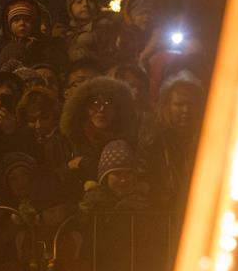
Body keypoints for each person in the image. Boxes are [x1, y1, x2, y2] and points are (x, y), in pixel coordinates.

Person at [50, 75, 139, 203]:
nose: (101, 109)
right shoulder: (67, 139)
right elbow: (52, 179)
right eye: (95, 103)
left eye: (108, 103)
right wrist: (69, 166)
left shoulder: (131, 139)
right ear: (84, 107)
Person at [140, 71, 205, 210]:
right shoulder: (153, 142)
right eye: (179, 104)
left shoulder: (208, 142)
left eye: (190, 104)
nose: (186, 110)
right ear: (167, 106)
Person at [51, 0, 117, 66]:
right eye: (79, 2)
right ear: (70, 8)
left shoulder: (108, 26)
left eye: (91, 1)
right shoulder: (61, 33)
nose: (85, 4)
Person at [79, 139, 151, 213]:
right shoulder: (93, 200)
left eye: (128, 173)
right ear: (105, 177)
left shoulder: (142, 199)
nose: (123, 180)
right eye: (116, 174)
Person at [0, 0, 66, 71]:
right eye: (16, 20)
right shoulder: (3, 46)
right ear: (9, 26)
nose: (22, 24)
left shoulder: (44, 46)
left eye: (27, 20)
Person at [115, 0, 158, 66]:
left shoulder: (157, 34)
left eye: (150, 13)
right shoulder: (122, 35)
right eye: (141, 13)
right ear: (132, 16)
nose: (147, 17)